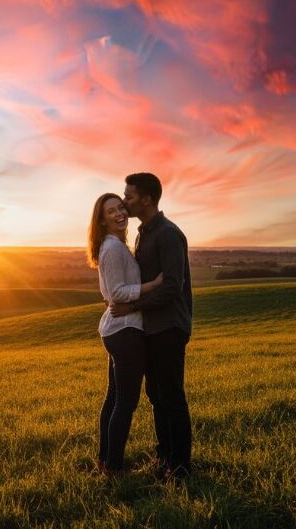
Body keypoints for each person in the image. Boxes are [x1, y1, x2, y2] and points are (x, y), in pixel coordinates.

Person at [111, 172, 193, 479]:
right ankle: (165, 459)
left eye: (129, 196)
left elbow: (172, 287)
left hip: (170, 327)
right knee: (156, 395)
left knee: (171, 396)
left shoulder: (168, 234)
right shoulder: (143, 232)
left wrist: (132, 306)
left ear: (146, 199)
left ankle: (181, 467)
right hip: (152, 327)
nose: (124, 201)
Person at [86, 193, 162, 475]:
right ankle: (114, 467)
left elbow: (111, 291)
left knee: (114, 399)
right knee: (125, 402)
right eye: (111, 211)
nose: (119, 213)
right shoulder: (114, 248)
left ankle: (105, 461)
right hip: (126, 332)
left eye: (120, 208)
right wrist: (152, 285)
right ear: (102, 220)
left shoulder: (113, 245)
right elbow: (117, 293)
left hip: (117, 330)